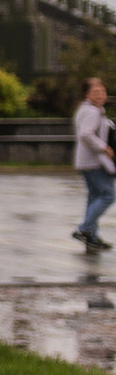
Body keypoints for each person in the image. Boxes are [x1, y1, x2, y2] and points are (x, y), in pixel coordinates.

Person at [76, 76, 113, 251]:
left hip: (88, 162)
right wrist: (103, 147)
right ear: (86, 94)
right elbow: (86, 134)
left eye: (102, 91)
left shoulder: (91, 110)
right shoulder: (92, 112)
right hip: (94, 162)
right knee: (108, 195)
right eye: (95, 92)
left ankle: (92, 237)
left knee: (94, 198)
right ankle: (84, 228)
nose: (100, 95)